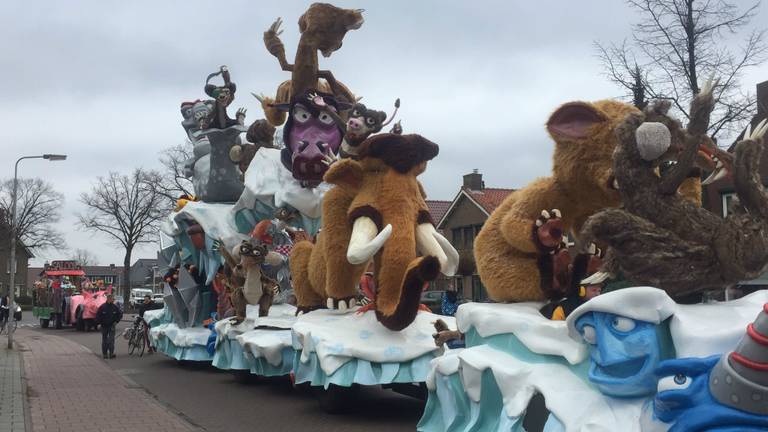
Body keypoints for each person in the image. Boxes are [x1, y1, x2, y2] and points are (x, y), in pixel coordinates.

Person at [95, 294, 123, 359]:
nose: (112, 300)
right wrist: (98, 324)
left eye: (113, 299)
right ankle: (105, 354)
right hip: (104, 326)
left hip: (112, 326)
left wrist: (116, 322)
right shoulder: (102, 307)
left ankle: (111, 353)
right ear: (108, 299)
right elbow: (98, 316)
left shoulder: (115, 307)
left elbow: (119, 315)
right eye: (111, 299)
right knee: (104, 340)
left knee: (111, 340)